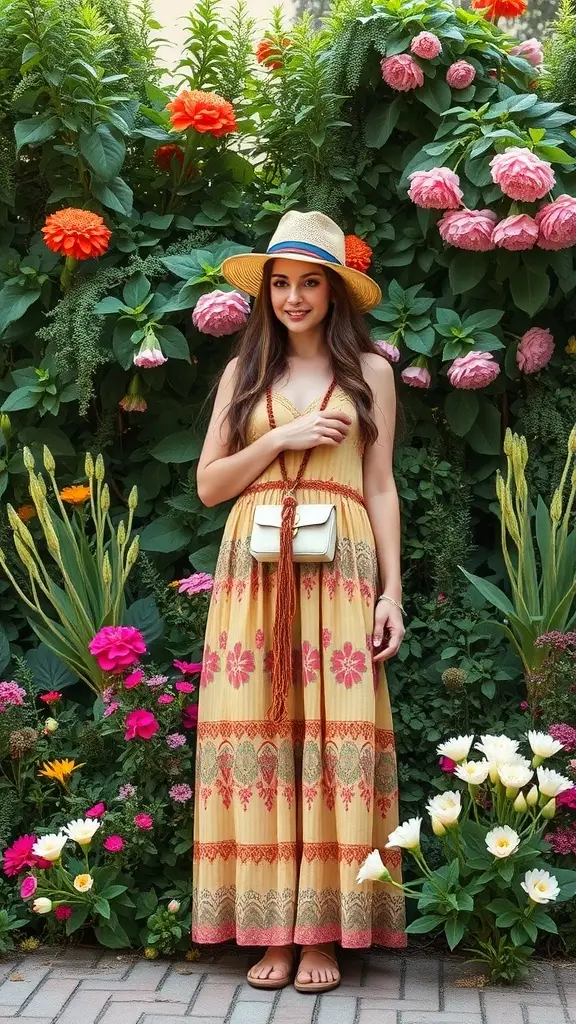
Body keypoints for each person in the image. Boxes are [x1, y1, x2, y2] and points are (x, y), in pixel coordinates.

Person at [193, 210, 406, 993]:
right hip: (254, 574)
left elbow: (380, 485)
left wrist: (394, 593)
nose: (292, 297)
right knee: (262, 736)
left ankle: (324, 934)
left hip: (342, 570)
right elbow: (210, 485)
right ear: (266, 295)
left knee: (330, 741)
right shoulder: (243, 374)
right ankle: (270, 932)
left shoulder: (371, 373)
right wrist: (280, 440)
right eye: (280, 284)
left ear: (334, 291)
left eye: (308, 282)